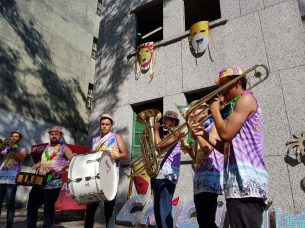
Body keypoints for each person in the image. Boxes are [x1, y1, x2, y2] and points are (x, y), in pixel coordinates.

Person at [192, 66, 268, 228]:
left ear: (237, 83)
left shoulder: (246, 99)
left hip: (247, 183)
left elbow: (225, 135)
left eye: (224, 85)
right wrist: (203, 134)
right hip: (237, 184)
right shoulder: (235, 109)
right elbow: (225, 148)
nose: (221, 91)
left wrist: (214, 110)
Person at [85, 114, 129, 228]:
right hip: (95, 175)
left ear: (111, 126)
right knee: (91, 208)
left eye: (107, 125)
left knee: (109, 209)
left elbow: (125, 155)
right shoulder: (95, 140)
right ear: (100, 125)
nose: (104, 126)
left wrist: (117, 155)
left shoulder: (116, 137)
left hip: (111, 176)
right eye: (102, 124)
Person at [184, 101, 223, 228]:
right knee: (202, 221)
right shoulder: (198, 133)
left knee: (208, 221)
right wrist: (188, 147)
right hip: (199, 180)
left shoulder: (213, 126)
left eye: (194, 109)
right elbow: (196, 159)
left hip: (210, 179)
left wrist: (197, 131)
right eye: (194, 110)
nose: (191, 113)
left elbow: (208, 149)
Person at [27, 126, 74, 228]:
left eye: (56, 134)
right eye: (52, 134)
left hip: (53, 184)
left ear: (60, 136)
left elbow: (73, 161)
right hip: (39, 182)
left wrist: (63, 166)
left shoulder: (64, 148)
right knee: (31, 207)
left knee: (48, 212)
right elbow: (47, 160)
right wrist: (39, 163)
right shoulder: (47, 148)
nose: (53, 136)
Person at [153, 111, 182, 228]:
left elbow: (158, 145)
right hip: (159, 174)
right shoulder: (166, 135)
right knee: (157, 209)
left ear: (173, 121)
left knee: (164, 209)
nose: (163, 122)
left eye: (166, 120)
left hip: (168, 175)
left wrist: (155, 130)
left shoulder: (177, 133)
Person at [0, 131, 27, 228]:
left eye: (16, 136)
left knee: (10, 204)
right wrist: (1, 148)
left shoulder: (22, 149)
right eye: (12, 136)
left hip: (12, 179)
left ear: (19, 139)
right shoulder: (5, 148)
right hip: (1, 178)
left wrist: (12, 147)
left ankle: (9, 225)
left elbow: (21, 158)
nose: (14, 138)